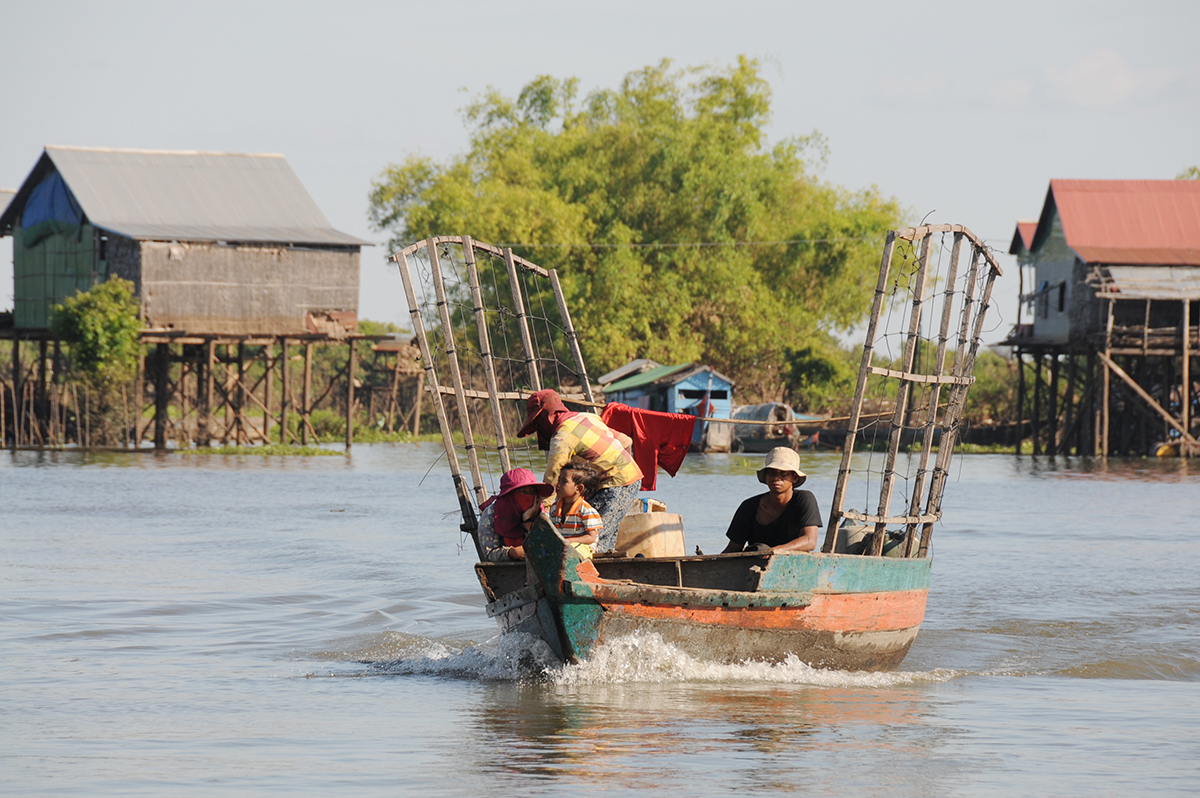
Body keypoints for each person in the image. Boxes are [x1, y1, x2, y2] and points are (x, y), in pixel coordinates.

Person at [517, 389, 643, 552]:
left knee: (591, 536)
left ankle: (587, 573)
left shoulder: (562, 438)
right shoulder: (587, 417)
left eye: (537, 424)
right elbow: (626, 441)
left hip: (614, 485)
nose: (538, 430)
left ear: (547, 417)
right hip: (631, 478)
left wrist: (542, 513)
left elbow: (552, 482)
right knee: (603, 534)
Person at [722, 447, 821, 554]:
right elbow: (733, 548)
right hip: (756, 563)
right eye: (771, 473)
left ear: (794, 478)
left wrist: (775, 551)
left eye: (783, 474)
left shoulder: (803, 499)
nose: (776, 478)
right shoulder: (749, 506)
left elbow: (810, 541)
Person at [477, 468, 554, 562]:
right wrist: (511, 553)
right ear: (510, 494)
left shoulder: (540, 513)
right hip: (506, 570)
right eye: (523, 492)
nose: (528, 497)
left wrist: (527, 521)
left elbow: (548, 547)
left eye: (532, 492)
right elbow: (489, 553)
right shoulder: (492, 514)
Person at [549, 458, 604, 560]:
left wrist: (569, 541)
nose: (558, 485)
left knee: (569, 552)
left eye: (564, 481)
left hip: (583, 547)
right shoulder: (554, 508)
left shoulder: (586, 510)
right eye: (559, 480)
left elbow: (591, 537)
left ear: (578, 488)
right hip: (563, 547)